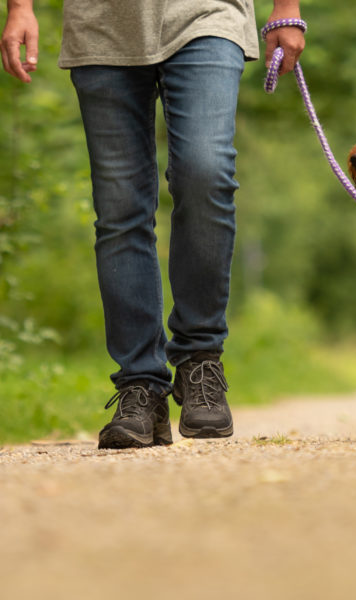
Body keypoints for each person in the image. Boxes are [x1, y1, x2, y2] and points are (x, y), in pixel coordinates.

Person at [1, 0, 305, 449]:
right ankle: (140, 386)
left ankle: (200, 357)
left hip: (208, 14)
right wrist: (19, 7)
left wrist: (287, 7)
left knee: (206, 172)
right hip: (100, 25)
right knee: (120, 209)